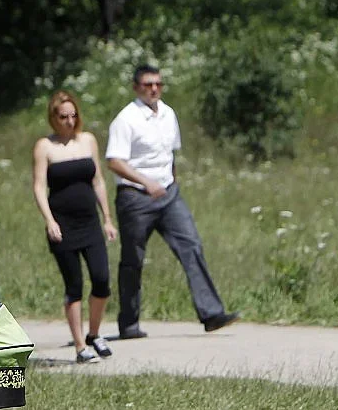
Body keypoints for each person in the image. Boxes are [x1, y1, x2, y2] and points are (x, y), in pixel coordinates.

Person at [106, 64, 239, 338]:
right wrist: (146, 183)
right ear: (136, 88)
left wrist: (171, 183)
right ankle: (129, 324)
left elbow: (170, 154)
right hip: (135, 197)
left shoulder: (168, 114)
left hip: (168, 194)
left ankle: (211, 313)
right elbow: (114, 161)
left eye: (158, 84)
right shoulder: (126, 119)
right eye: (147, 84)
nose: (153, 89)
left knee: (191, 244)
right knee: (133, 260)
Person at [32, 91, 117, 364]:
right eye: (63, 116)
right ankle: (80, 347)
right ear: (53, 118)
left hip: (89, 221)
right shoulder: (45, 146)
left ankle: (94, 333)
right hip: (63, 225)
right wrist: (49, 221)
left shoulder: (88, 140)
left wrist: (107, 218)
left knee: (102, 280)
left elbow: (99, 181)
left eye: (73, 116)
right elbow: (38, 186)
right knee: (74, 285)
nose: (69, 121)